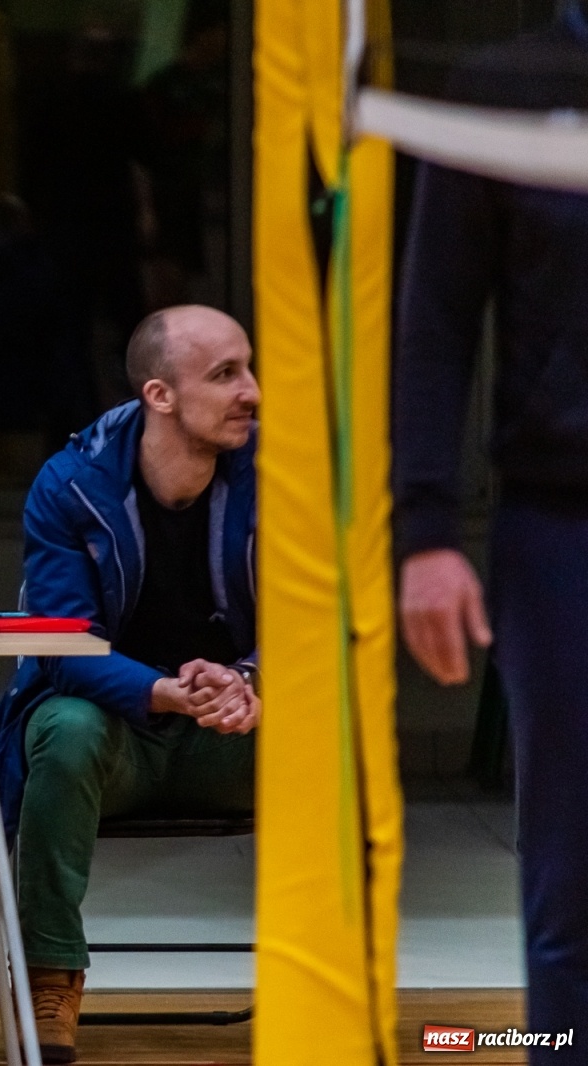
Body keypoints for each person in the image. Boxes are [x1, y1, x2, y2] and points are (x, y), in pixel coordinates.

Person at [0, 305, 262, 1063]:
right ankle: (51, 975)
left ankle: (334, 968)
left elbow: (324, 621)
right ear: (159, 395)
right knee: (64, 727)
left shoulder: (282, 470)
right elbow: (60, 644)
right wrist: (166, 692)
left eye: (249, 367)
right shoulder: (72, 484)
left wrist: (249, 683)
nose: (254, 392)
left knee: (344, 732)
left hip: (241, 739)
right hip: (120, 745)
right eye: (225, 374)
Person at [395, 14, 588, 1057]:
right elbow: (432, 323)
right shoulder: (504, 87)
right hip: (562, 523)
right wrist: (424, 528)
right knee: (572, 861)